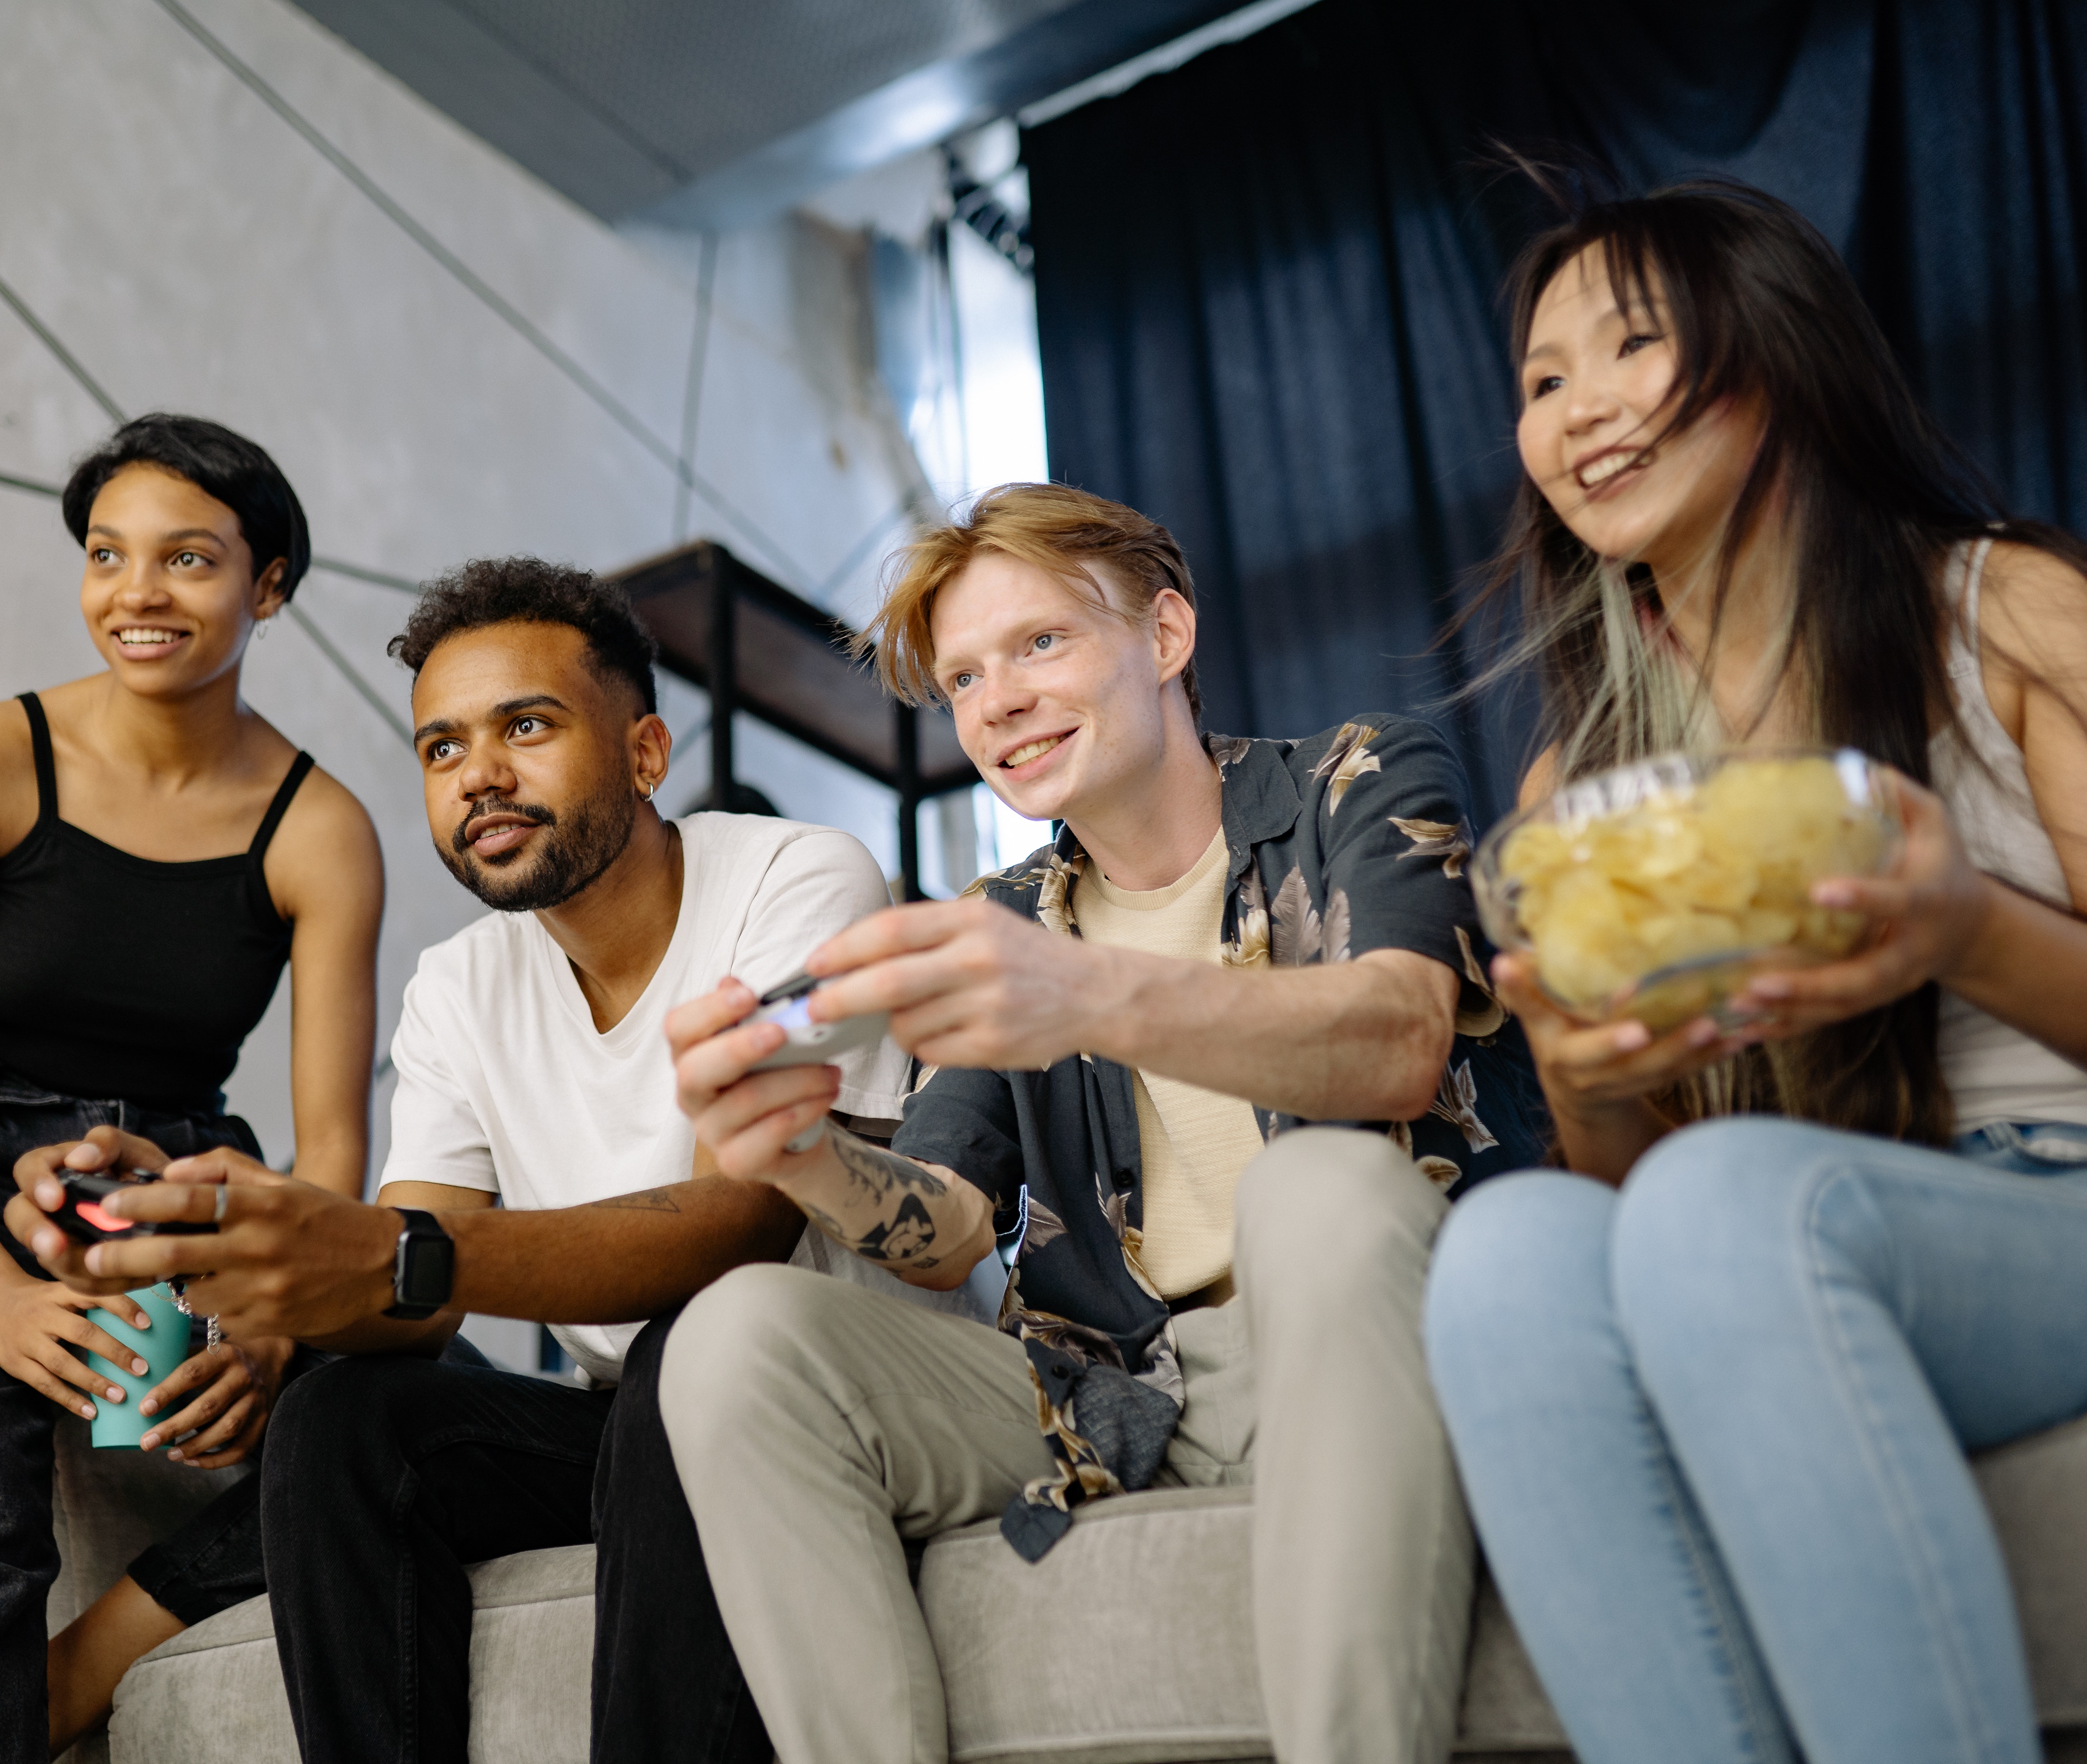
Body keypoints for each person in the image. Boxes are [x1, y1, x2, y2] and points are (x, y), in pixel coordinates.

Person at [6, 556, 998, 1763]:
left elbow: (733, 1227)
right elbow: (409, 1313)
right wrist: (220, 1239)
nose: (479, 773)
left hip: (829, 1395)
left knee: (692, 1357)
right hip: (630, 1421)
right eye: (441, 748)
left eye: (525, 727)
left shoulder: (795, 877)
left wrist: (386, 1252)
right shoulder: (460, 987)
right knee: (344, 1421)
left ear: (643, 754)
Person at [1418, 178, 2087, 1764]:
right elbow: (1648, 1192)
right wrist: (1584, 1072)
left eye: (1634, 346)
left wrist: (1970, 930)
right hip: (1795, 1222)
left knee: (1732, 1202)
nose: (1580, 410)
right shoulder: (1583, 783)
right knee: (1507, 1252)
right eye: (1544, 381)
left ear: (1777, 356)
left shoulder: (2011, 610)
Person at [658, 482, 1545, 1764]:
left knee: (1315, 1197)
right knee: (736, 1333)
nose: (996, 704)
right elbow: (948, 1227)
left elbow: (1401, 1042)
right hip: (1117, 1389)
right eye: (963, 679)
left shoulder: (1360, 775)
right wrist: (803, 1154)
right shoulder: (1005, 915)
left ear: (1167, 636)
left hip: (1360, 1325)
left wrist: (1094, 994)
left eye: (1040, 645)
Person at [0, 413, 385, 1763]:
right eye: (107, 556)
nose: (136, 594)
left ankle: (91, 1663)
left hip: (190, 1182)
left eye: (188, 559)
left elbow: (328, 1147)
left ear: (270, 586)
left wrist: (268, 1330)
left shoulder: (320, 830)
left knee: (395, 1423)